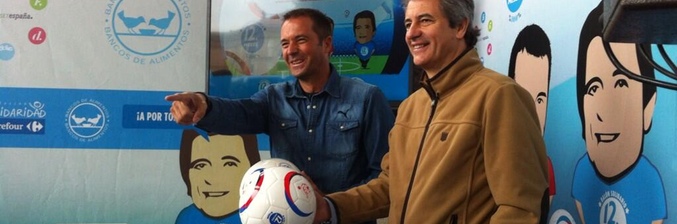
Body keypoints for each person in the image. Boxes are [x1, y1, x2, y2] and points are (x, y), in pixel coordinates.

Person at [311, 0, 549, 223]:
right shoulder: (410, 107)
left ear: (460, 26)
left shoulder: (499, 95)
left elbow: (521, 208)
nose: (412, 33)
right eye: (407, 23)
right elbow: (389, 187)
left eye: (425, 21)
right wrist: (329, 206)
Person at [165, 7, 395, 221]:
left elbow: (384, 178)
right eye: (284, 43)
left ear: (327, 45)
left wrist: (331, 207)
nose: (290, 51)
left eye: (300, 40)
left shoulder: (367, 98)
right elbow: (240, 113)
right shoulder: (274, 98)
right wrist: (204, 105)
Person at [572, 3, 666, 223]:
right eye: (593, 88)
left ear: (648, 106)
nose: (603, 114)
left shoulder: (650, 182)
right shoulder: (582, 174)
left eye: (621, 83)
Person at [507, 24, 556, 203]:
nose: (533, 110)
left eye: (540, 99)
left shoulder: (545, 167)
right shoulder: (490, 158)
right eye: (524, 96)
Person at [175, 130, 260, 223]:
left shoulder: (266, 214)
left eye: (229, 164)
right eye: (201, 165)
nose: (212, 180)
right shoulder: (187, 218)